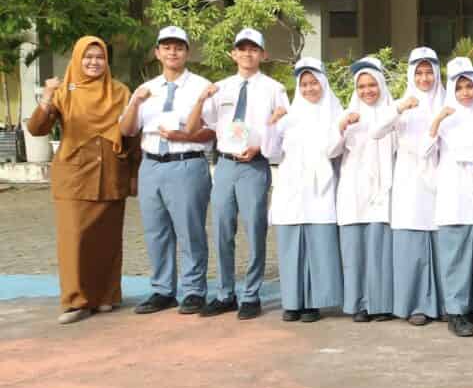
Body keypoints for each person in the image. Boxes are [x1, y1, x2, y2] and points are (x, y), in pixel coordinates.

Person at [26, 35, 137, 323]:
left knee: (108, 240)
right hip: (74, 175)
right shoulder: (64, 92)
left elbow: (132, 136)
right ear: (77, 59)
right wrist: (47, 98)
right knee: (74, 239)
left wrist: (133, 176)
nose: (94, 62)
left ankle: (107, 296)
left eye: (99, 57)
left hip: (112, 173)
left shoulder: (120, 91)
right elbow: (37, 129)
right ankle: (76, 301)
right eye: (87, 57)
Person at [185, 26, 288, 320]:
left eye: (253, 49)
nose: (247, 54)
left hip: (254, 165)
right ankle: (225, 293)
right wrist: (201, 98)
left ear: (263, 55)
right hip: (226, 164)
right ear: (233, 54)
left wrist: (260, 147)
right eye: (242, 49)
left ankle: (251, 294)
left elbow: (281, 128)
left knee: (255, 230)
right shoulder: (221, 87)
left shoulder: (273, 89)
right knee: (221, 229)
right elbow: (199, 125)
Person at [119, 25, 213, 316]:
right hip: (151, 166)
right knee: (156, 231)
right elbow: (126, 129)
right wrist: (135, 102)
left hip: (186, 163)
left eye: (179, 47)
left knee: (189, 230)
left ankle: (194, 290)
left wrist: (185, 137)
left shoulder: (201, 86)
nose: (173, 52)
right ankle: (162, 290)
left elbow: (212, 130)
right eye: (167, 47)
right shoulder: (147, 89)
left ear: (187, 52)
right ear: (157, 52)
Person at [268, 59, 342, 323]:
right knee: (291, 246)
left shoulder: (335, 112)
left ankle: (314, 303)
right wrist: (273, 125)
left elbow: (334, 150)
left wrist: (340, 129)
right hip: (291, 187)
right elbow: (272, 152)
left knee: (318, 245)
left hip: (320, 187)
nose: (310, 89)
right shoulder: (289, 115)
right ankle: (292, 302)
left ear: (322, 83)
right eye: (304, 84)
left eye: (314, 83)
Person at [431, 56, 473, 338]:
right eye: (460, 87)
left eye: (469, 86)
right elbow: (460, 146)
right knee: (455, 251)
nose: (465, 93)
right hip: (454, 190)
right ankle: (455, 311)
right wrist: (437, 121)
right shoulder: (446, 116)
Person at [336, 56, 398, 323]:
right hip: (353, 189)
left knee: (380, 248)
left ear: (381, 86)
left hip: (383, 188)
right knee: (355, 250)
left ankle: (381, 303)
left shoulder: (393, 113)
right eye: (361, 86)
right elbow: (331, 150)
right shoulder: (347, 114)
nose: (367, 91)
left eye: (372, 85)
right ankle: (358, 303)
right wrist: (341, 127)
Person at [391, 46, 446, 326]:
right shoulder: (401, 104)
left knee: (442, 240)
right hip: (411, 181)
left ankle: (445, 303)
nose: (425, 79)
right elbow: (382, 131)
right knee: (412, 241)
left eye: (429, 72)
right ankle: (415, 304)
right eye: (419, 73)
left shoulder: (448, 102)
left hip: (443, 179)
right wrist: (399, 108)